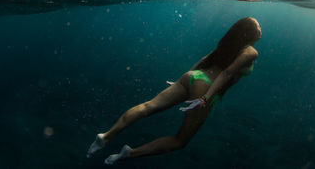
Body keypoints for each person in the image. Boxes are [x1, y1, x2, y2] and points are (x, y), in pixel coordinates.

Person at [87, 17, 262, 164]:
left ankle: (106, 136)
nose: (260, 29)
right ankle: (130, 153)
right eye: (257, 27)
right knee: (180, 141)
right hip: (206, 87)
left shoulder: (229, 43)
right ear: (250, 33)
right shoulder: (251, 51)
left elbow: (205, 59)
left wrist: (184, 78)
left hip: (195, 75)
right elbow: (227, 73)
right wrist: (205, 98)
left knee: (149, 106)